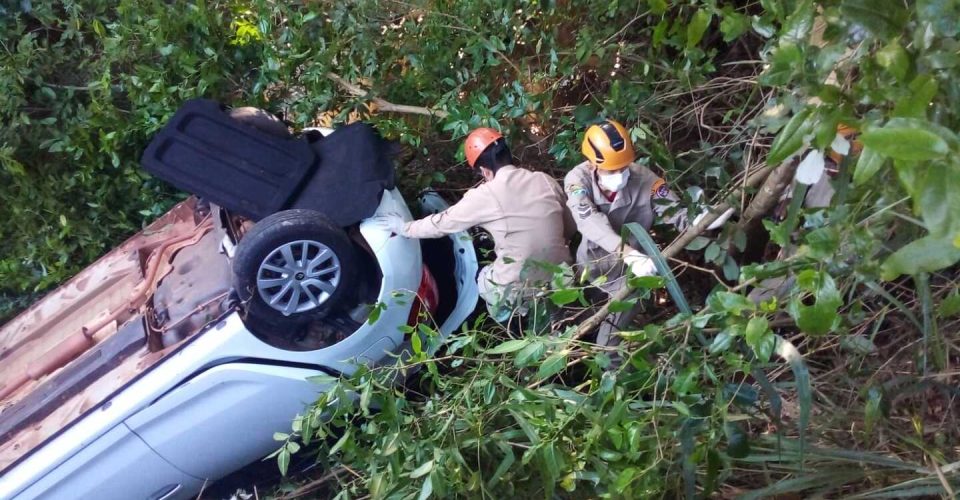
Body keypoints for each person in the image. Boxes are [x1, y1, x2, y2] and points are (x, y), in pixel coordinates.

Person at [373, 127, 575, 323]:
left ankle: (514, 321)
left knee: (485, 278)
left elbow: (441, 224)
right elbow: (570, 227)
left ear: (485, 171)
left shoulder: (486, 196)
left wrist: (403, 228)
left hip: (522, 285)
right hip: (563, 275)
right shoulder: (543, 180)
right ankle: (554, 315)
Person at [564, 119, 732, 350]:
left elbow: (673, 209)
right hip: (593, 265)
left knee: (608, 342)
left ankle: (613, 375)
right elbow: (587, 219)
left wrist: (702, 219)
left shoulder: (645, 179)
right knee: (584, 318)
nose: (621, 174)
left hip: (633, 274)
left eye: (624, 167)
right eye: (613, 170)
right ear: (593, 164)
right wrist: (626, 251)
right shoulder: (577, 180)